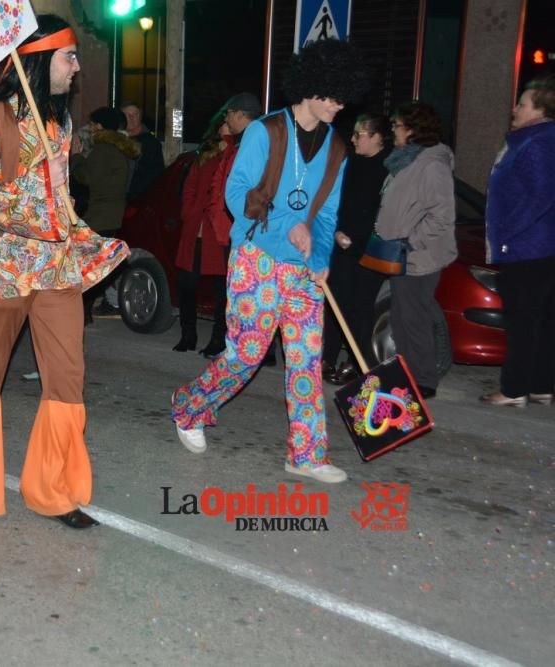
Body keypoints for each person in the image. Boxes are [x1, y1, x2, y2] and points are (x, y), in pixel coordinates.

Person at [0, 15, 129, 528]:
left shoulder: (61, 124)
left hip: (55, 270)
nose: (76, 67)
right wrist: (39, 216)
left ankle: (54, 492)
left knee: (68, 375)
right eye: (69, 56)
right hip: (1, 270)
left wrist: (80, 231)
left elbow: (59, 199)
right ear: (40, 58)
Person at [171, 39, 368, 484]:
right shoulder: (266, 132)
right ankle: (190, 408)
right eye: (334, 97)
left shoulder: (337, 147)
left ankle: (306, 452)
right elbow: (235, 195)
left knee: (306, 359)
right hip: (256, 258)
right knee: (246, 355)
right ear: (313, 89)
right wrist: (285, 225)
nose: (340, 106)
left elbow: (326, 212)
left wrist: (319, 255)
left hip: (301, 270)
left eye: (343, 98)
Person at [480, 74, 555, 407]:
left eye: (522, 104)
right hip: (537, 247)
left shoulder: (536, 142)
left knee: (522, 320)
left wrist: (507, 234)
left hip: (528, 248)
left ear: (540, 110)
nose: (515, 109)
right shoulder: (535, 138)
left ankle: (513, 390)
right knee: (541, 319)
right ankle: (540, 385)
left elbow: (541, 196)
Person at [374, 102, 456, 399]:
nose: (393, 131)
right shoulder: (406, 161)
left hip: (418, 256)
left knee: (414, 318)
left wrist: (410, 242)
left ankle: (424, 380)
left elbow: (442, 215)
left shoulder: (432, 164)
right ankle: (406, 375)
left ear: (413, 129)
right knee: (400, 317)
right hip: (403, 254)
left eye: (396, 125)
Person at [174, 93, 261, 356]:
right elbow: (189, 188)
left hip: (219, 231)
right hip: (196, 228)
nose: (225, 123)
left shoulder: (238, 152)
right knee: (186, 282)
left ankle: (218, 339)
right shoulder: (205, 155)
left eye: (228, 118)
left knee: (222, 289)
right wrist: (189, 213)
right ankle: (187, 335)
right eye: (221, 122)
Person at [321, 113, 392, 384]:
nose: (353, 139)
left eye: (359, 134)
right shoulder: (350, 163)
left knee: (360, 309)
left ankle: (357, 363)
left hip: (368, 250)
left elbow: (382, 214)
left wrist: (357, 237)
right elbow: (338, 201)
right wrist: (336, 230)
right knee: (337, 304)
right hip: (342, 247)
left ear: (376, 137)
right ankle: (327, 358)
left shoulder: (387, 168)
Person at [69, 106, 139, 321]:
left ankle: (84, 311)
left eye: (92, 124)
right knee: (97, 262)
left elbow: (89, 178)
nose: (89, 128)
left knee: (89, 264)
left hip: (99, 214)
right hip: (111, 212)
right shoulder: (118, 147)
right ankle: (86, 310)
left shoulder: (104, 150)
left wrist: (77, 157)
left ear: (100, 126)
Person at [120, 102, 164, 202]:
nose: (131, 118)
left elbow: (154, 175)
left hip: (138, 200)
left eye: (135, 114)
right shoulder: (116, 140)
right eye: (127, 115)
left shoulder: (150, 143)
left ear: (140, 116)